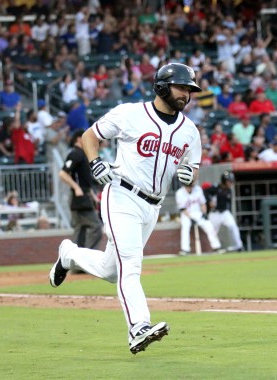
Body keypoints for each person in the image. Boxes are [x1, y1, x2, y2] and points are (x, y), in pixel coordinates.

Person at [48, 63, 202, 354]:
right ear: (161, 87)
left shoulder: (190, 131)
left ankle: (69, 255)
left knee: (110, 270)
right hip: (122, 195)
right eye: (181, 87)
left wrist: (189, 175)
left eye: (189, 90)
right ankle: (138, 327)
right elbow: (89, 137)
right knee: (130, 264)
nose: (186, 94)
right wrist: (95, 163)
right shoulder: (130, 113)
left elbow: (192, 168)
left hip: (152, 207)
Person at [59, 129, 103, 250]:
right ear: (79, 138)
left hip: (83, 196)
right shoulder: (75, 154)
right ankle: (86, 256)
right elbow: (63, 173)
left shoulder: (82, 154)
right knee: (95, 227)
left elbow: (85, 179)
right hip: (80, 198)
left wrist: (92, 195)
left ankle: (76, 258)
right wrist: (76, 187)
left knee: (81, 229)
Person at [175, 183, 225, 255]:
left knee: (209, 225)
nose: (190, 187)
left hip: (198, 213)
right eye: (188, 186)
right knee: (185, 226)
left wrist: (204, 213)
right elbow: (182, 209)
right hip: (186, 214)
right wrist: (191, 218)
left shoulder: (198, 189)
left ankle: (216, 247)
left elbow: (203, 203)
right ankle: (185, 249)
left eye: (191, 185)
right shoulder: (179, 193)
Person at [204, 171, 244, 252]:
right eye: (229, 181)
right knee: (212, 230)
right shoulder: (216, 188)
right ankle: (216, 247)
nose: (231, 183)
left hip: (225, 213)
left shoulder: (229, 191)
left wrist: (230, 213)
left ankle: (239, 246)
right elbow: (205, 192)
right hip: (215, 213)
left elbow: (229, 204)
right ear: (224, 181)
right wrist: (209, 201)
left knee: (233, 227)